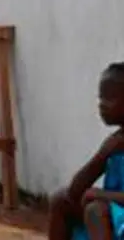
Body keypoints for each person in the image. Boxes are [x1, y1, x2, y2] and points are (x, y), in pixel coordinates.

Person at [48, 62, 124, 240]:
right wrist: (102, 155)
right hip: (115, 214)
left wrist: (102, 195)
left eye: (110, 99)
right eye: (100, 98)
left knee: (95, 210)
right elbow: (74, 191)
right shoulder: (115, 143)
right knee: (61, 201)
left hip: (114, 214)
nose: (101, 106)